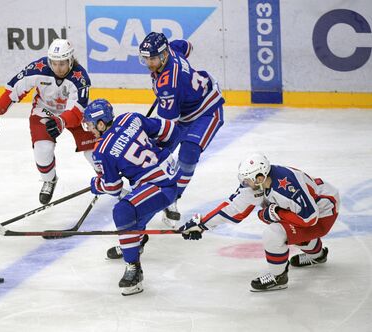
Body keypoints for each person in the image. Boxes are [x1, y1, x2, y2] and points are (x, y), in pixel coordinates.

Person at [178, 153, 340, 292]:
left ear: (260, 177)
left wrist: (276, 213)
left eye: (247, 180)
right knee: (280, 224)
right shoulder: (260, 183)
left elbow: (309, 218)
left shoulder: (286, 189)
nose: (245, 184)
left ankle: (278, 278)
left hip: (323, 213)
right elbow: (234, 207)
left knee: (274, 233)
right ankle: (318, 255)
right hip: (308, 211)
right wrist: (202, 224)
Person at [0, 39, 97, 204]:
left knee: (93, 150)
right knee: (43, 149)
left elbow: (78, 110)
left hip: (71, 115)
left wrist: (61, 121)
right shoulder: (38, 68)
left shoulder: (80, 78)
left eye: (63, 63)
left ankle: (106, 176)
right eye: (54, 63)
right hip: (45, 110)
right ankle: (49, 180)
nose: (58, 67)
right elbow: (14, 90)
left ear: (70, 60)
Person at [83, 98, 181, 296]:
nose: (90, 129)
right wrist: (157, 149)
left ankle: (134, 270)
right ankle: (135, 243)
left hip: (160, 186)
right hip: (169, 173)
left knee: (123, 210)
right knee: (134, 204)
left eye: (92, 125)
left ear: (101, 123)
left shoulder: (101, 150)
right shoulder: (130, 118)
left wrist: (96, 184)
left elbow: (112, 187)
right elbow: (171, 130)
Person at [139, 32, 225, 228]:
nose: (149, 63)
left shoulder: (168, 83)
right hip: (185, 110)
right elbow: (188, 46)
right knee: (160, 150)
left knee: (188, 152)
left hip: (207, 110)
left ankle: (171, 199)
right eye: (146, 59)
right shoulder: (172, 48)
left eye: (152, 59)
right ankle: (155, 185)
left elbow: (167, 126)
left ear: (163, 55)